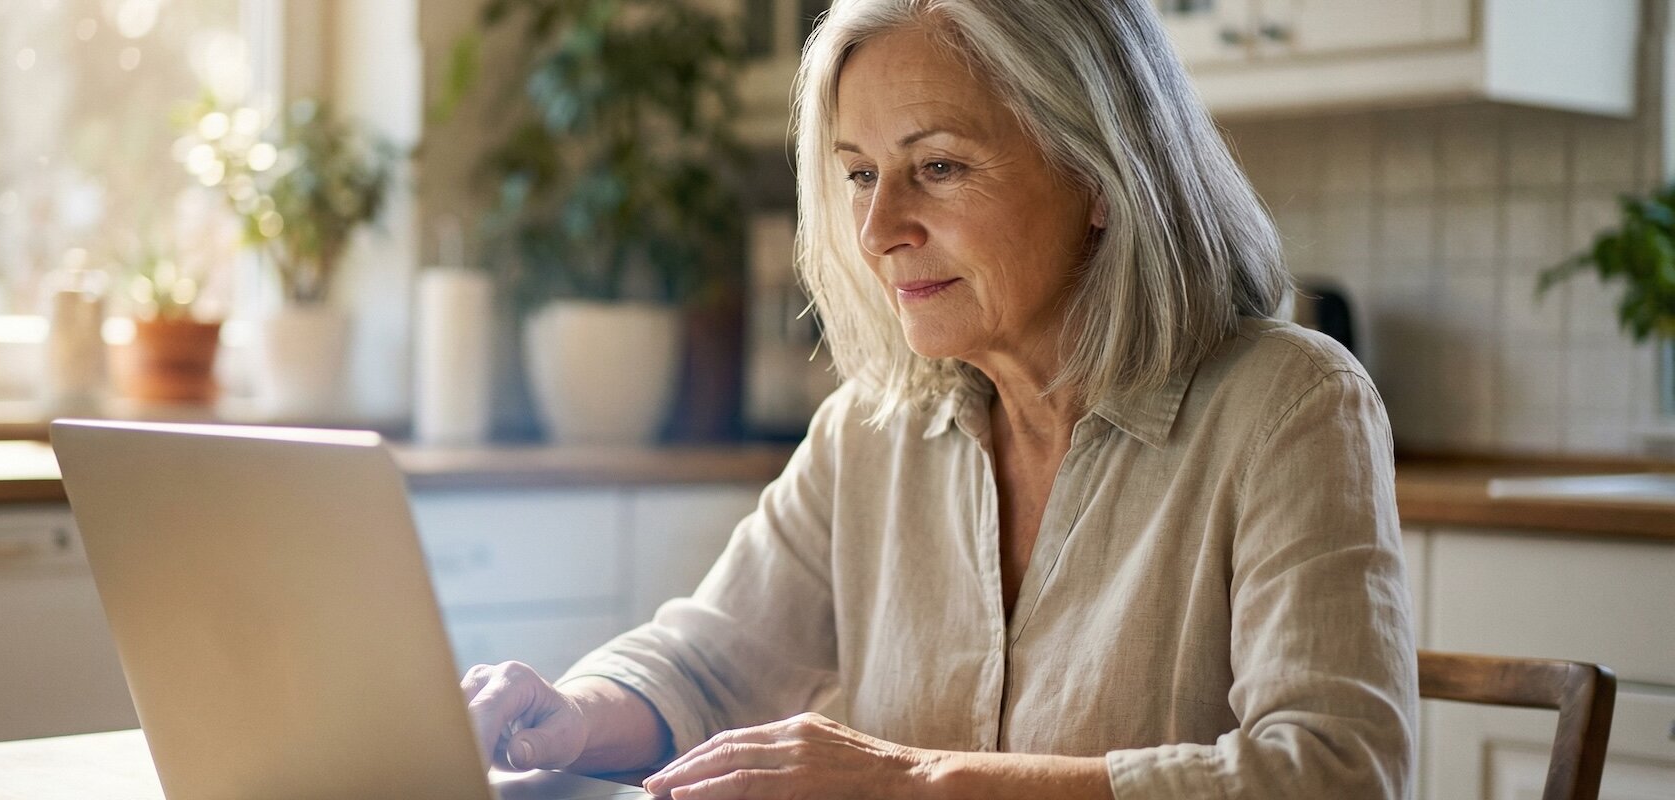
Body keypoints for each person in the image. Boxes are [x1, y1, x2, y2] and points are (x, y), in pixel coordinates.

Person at [460, 0, 1416, 797]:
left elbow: (1336, 772)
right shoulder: (870, 435)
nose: (878, 229)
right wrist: (570, 716)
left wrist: (917, 782)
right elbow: (710, 663)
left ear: (1102, 173)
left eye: (940, 167)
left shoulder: (1292, 406)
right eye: (862, 175)